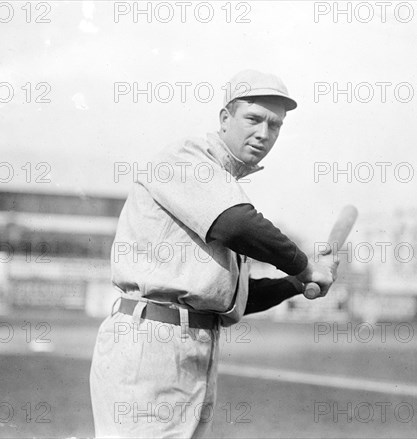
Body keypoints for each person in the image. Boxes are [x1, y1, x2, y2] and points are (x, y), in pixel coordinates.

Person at [89, 69, 339, 438]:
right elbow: (238, 226)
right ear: (224, 119)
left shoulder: (223, 186)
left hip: (194, 345)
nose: (264, 133)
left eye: (275, 125)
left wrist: (295, 284)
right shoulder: (187, 158)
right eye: (253, 119)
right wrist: (305, 267)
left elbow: (230, 299)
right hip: (152, 344)